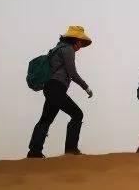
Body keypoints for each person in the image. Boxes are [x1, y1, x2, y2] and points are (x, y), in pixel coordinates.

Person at [27, 26, 93, 158]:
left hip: (51, 88)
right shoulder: (67, 50)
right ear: (75, 40)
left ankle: (34, 151)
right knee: (77, 114)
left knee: (46, 119)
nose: (81, 45)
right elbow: (72, 73)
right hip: (56, 88)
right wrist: (86, 87)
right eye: (80, 42)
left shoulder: (58, 48)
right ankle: (71, 150)